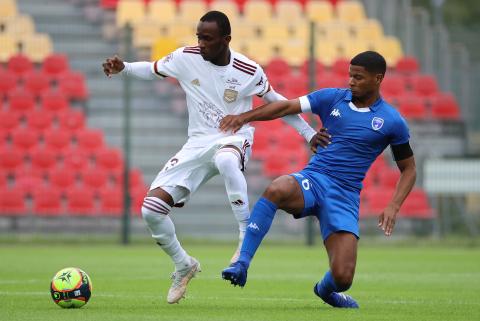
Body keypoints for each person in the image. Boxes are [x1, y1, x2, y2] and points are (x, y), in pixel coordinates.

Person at [102, 11, 330, 304]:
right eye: (198, 36)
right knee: (151, 210)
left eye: (207, 38)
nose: (201, 43)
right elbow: (152, 68)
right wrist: (124, 68)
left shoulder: (248, 70)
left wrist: (309, 134)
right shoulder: (186, 57)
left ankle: (244, 234)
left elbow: (280, 105)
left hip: (235, 139)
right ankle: (184, 264)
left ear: (226, 40)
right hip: (196, 143)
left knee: (225, 159)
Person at [220, 51, 417, 308]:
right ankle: (242, 263)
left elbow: (409, 168)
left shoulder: (392, 121)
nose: (351, 81)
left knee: (343, 277)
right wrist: (244, 117)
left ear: (378, 78)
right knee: (278, 187)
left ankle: (325, 291)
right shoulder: (332, 98)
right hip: (314, 180)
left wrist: (393, 205)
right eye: (350, 75)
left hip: (345, 196)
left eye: (358, 77)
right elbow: (286, 106)